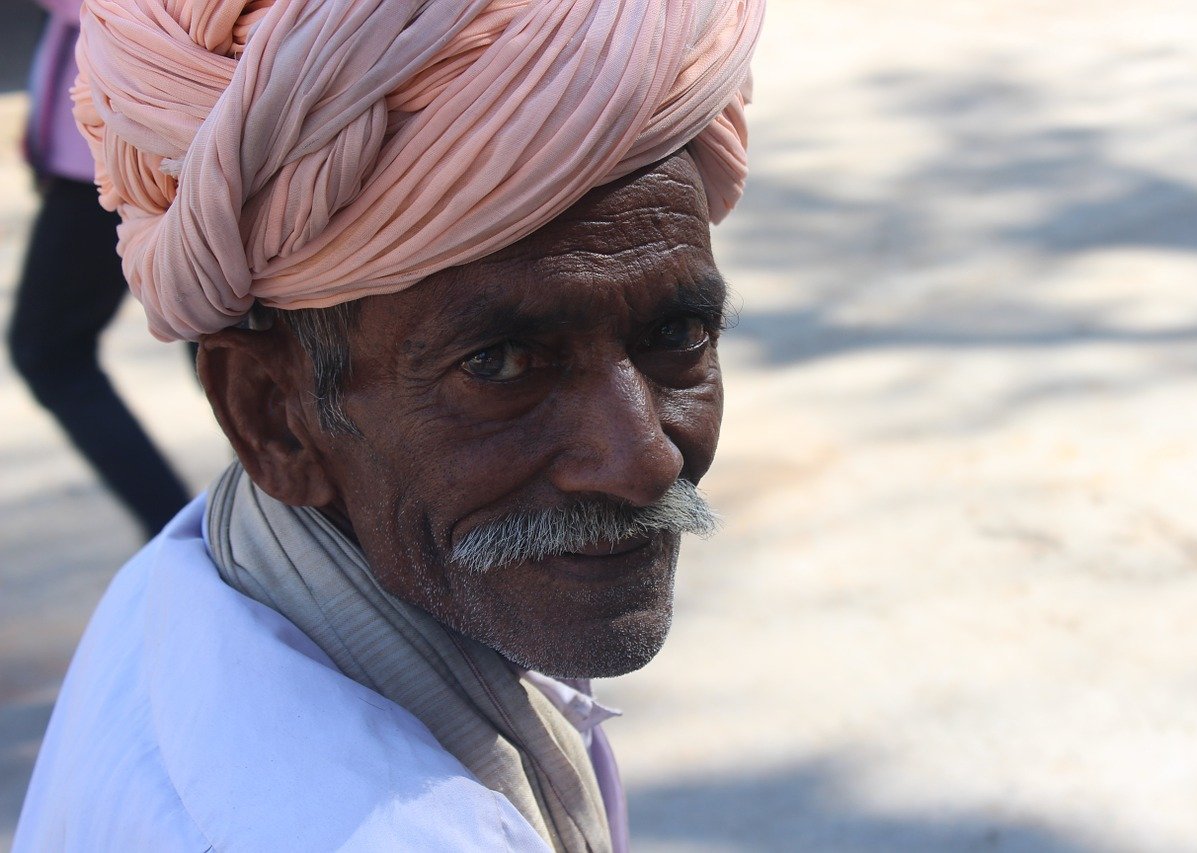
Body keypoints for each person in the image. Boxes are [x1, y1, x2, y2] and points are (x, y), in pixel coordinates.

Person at [15, 0, 764, 849]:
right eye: (503, 363)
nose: (644, 460)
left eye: (678, 335)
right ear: (272, 418)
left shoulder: (187, 579)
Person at [8, 0, 189, 538]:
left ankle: (177, 531)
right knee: (219, 343)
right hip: (122, 143)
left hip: (127, 150)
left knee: (51, 354)